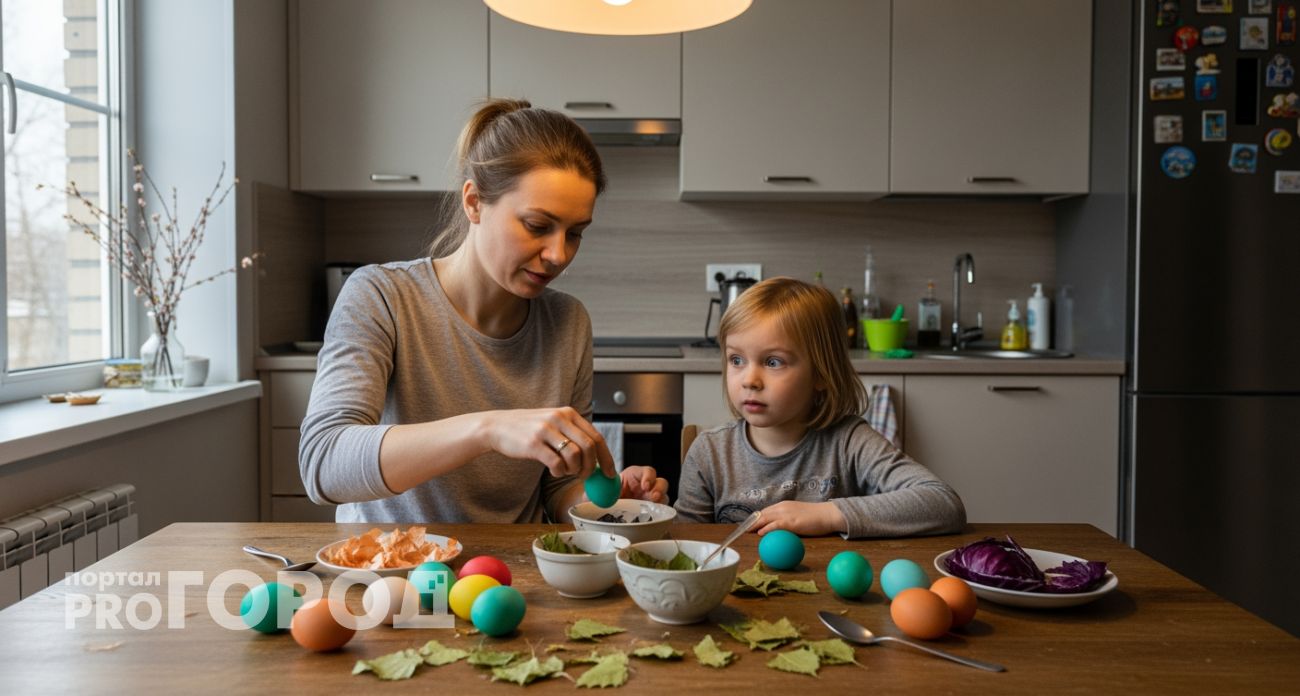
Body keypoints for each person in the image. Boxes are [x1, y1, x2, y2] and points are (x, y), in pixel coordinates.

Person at [300, 99, 668, 524]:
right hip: (391, 575)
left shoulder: (569, 322)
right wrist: (489, 430)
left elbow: (556, 489)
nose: (558, 255)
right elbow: (323, 462)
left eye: (576, 233)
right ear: (474, 202)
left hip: (511, 577)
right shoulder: (381, 296)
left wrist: (603, 502)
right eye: (537, 226)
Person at [674, 277, 965, 538]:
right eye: (737, 360)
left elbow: (943, 503)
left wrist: (827, 515)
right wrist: (646, 507)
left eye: (773, 362)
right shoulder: (709, 453)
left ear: (821, 375)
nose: (749, 380)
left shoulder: (850, 442)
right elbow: (683, 546)